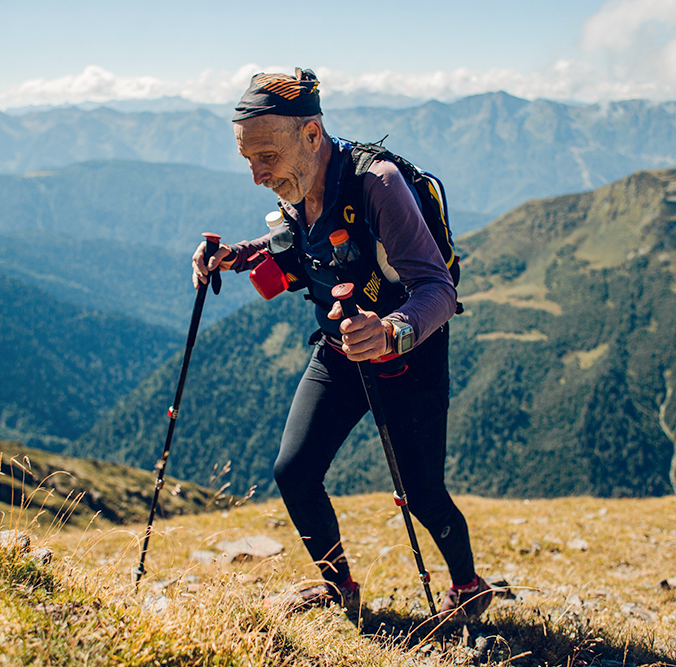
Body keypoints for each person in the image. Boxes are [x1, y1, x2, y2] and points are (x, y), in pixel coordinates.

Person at [192, 68, 490, 620]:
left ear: (311, 135)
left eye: (267, 158)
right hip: (338, 349)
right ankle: (339, 588)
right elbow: (297, 244)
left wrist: (391, 332)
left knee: (423, 493)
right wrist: (237, 254)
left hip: (408, 359)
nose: (257, 175)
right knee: (294, 471)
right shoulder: (299, 179)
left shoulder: (377, 184)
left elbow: (438, 290)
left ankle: (468, 585)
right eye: (248, 160)